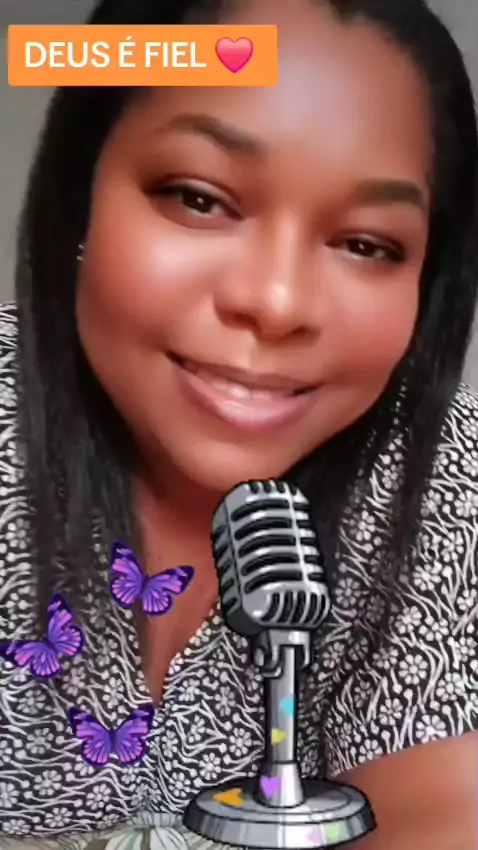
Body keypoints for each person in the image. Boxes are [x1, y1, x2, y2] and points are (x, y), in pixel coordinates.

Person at [0, 0, 477, 846]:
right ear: (79, 199)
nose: (278, 302)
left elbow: (444, 806)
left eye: (367, 244)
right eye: (199, 198)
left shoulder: (440, 468)